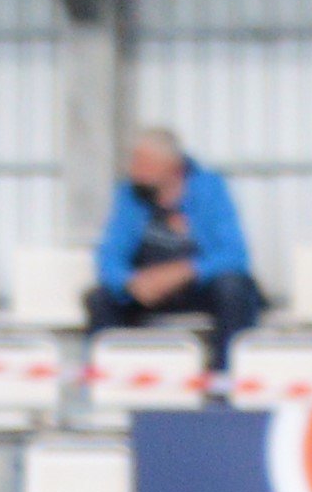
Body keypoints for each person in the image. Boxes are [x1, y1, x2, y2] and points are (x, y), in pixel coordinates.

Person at [85, 130, 261, 372]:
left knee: (234, 289)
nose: (134, 169)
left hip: (198, 287)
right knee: (100, 298)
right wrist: (130, 282)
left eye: (144, 162)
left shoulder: (209, 188)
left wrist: (184, 272)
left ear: (172, 167)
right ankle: (114, 376)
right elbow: (109, 257)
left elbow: (235, 255)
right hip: (147, 289)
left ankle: (226, 377)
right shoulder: (129, 195)